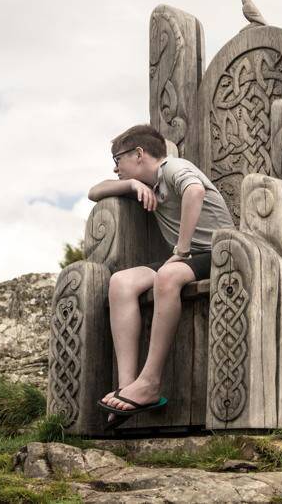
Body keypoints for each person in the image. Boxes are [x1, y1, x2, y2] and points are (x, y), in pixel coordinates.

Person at [88, 124, 234, 427]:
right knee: (121, 282)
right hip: (186, 259)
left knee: (167, 276)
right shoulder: (149, 184)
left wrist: (180, 250)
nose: (115, 168)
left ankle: (151, 382)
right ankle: (129, 386)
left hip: (218, 253)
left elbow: (194, 191)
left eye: (118, 160)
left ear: (139, 154)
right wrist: (130, 186)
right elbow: (94, 192)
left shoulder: (173, 167)